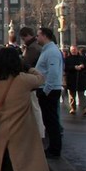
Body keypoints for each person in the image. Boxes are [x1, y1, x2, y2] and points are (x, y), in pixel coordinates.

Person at [35, 26, 64, 158]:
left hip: (50, 90)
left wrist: (46, 90)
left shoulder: (52, 51)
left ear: (45, 36)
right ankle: (53, 147)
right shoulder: (47, 50)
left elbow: (53, 72)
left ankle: (54, 149)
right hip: (48, 89)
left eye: (38, 35)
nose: (37, 38)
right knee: (49, 120)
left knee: (51, 120)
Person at [20, 27, 45, 139]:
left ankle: (39, 133)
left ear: (27, 36)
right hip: (34, 80)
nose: (23, 40)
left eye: (23, 38)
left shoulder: (33, 48)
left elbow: (26, 63)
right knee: (35, 108)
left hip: (32, 82)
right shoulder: (32, 47)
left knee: (35, 108)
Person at [65, 45, 86, 115]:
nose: (73, 51)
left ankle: (84, 108)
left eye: (74, 50)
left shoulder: (83, 58)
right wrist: (74, 67)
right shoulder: (68, 59)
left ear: (77, 50)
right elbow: (66, 68)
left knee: (81, 94)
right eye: (72, 50)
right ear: (70, 51)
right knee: (72, 95)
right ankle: (73, 108)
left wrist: (83, 66)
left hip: (81, 79)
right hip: (71, 79)